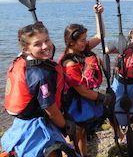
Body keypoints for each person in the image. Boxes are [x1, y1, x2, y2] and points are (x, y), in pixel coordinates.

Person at [2, 22, 77, 157]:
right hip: (36, 127)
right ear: (26, 49)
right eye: (37, 44)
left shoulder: (25, 60)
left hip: (21, 123)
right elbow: (51, 110)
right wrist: (65, 125)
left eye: (47, 40)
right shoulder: (40, 75)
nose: (45, 46)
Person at [60, 3, 112, 157]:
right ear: (71, 42)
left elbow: (101, 35)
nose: (85, 42)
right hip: (72, 103)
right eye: (82, 40)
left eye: (85, 39)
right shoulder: (69, 63)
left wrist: (98, 15)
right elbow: (81, 90)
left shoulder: (82, 49)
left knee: (82, 132)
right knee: (72, 136)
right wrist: (103, 98)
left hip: (84, 98)